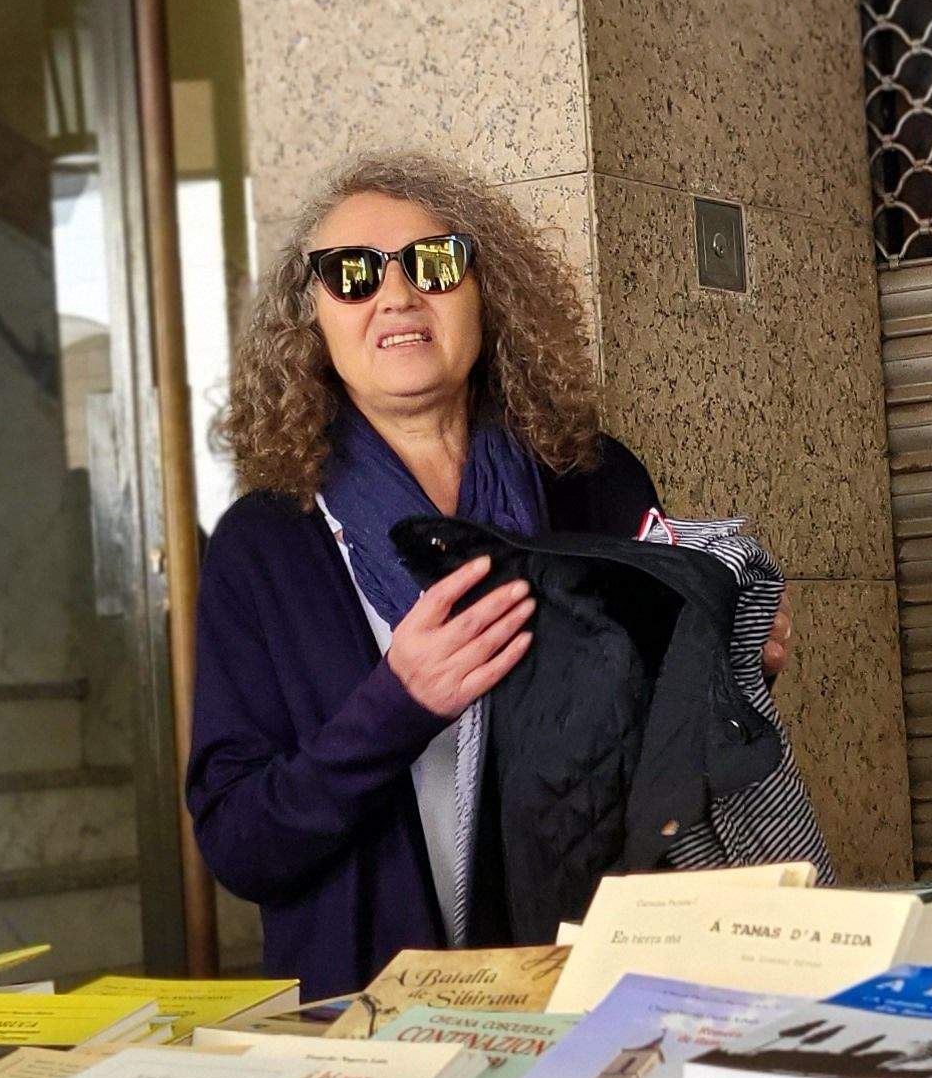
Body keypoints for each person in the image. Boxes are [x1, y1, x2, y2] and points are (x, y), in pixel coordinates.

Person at [187, 152, 782, 1000]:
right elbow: (241, 843)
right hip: (387, 1004)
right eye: (351, 276)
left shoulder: (593, 482)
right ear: (310, 319)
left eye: (434, 264)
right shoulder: (267, 543)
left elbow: (669, 761)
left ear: (485, 292)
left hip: (605, 975)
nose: (396, 296)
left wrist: (726, 654)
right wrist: (398, 706)